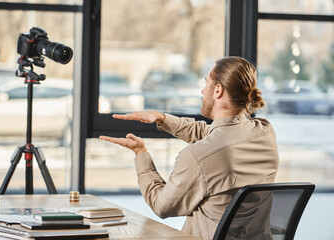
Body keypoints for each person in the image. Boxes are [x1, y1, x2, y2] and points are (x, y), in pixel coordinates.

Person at [99, 56, 279, 240]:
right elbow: (213, 134)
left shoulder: (197, 157)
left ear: (218, 90)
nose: (202, 90)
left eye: (206, 83)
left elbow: (161, 206)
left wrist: (140, 153)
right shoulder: (265, 132)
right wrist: (161, 117)